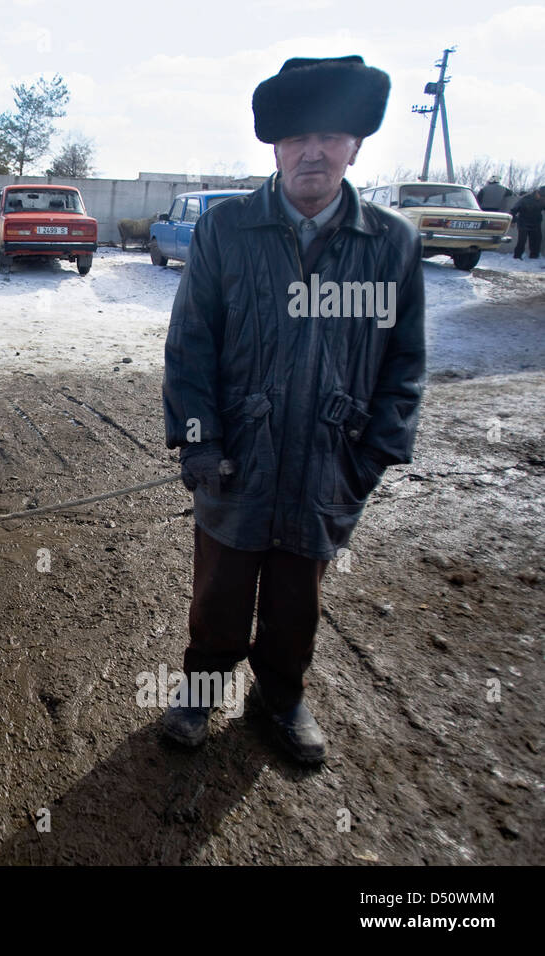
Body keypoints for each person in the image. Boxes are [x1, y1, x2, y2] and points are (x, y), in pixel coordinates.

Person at [160, 55, 426, 764]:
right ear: (275, 146)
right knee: (219, 586)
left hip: (327, 460)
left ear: (356, 145)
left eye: (331, 135)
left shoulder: (391, 243)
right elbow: (190, 345)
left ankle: (280, 697)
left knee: (295, 597)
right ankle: (200, 689)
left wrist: (370, 459)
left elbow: (406, 365)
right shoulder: (226, 232)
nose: (314, 150)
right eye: (297, 137)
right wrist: (197, 440)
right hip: (235, 456)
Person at [509, 186, 543, 260]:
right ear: (537, 193)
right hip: (523, 222)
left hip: (536, 223)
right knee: (522, 240)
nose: (541, 198)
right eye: (541, 196)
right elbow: (513, 210)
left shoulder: (542, 200)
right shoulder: (525, 199)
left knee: (536, 240)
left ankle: (534, 256)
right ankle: (517, 256)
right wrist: (513, 221)